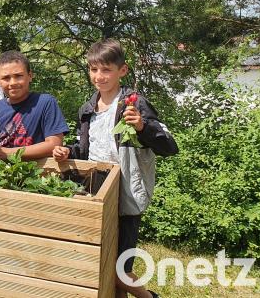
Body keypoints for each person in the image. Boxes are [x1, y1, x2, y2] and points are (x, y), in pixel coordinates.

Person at [57, 38, 178, 298]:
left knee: (120, 267)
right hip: (95, 191)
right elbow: (84, 148)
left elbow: (169, 146)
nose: (99, 76)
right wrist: (67, 151)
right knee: (99, 260)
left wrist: (143, 127)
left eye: (106, 70)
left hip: (126, 194)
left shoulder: (134, 104)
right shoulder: (87, 110)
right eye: (94, 69)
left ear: (122, 70)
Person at [0, 51, 69, 160]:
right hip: (2, 170)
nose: (13, 83)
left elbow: (54, 145)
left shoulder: (45, 102)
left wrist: (8, 152)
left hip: (38, 169)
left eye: (18, 76)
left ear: (30, 76)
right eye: (6, 78)